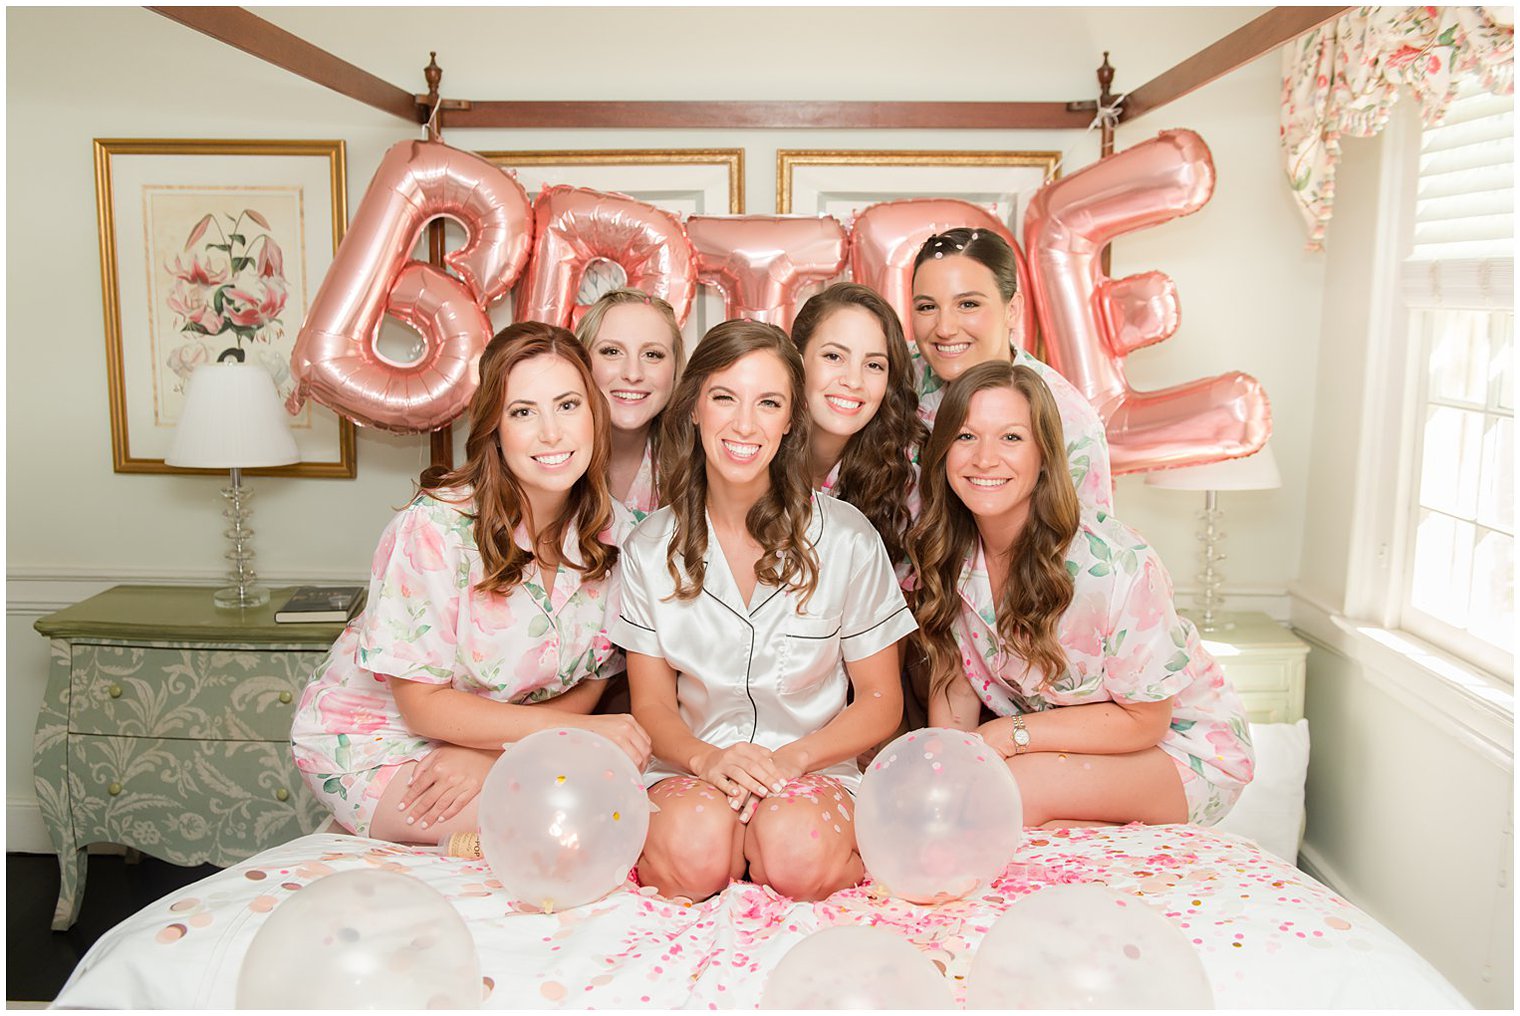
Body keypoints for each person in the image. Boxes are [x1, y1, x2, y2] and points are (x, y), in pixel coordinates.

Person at [290, 322, 651, 845]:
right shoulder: (433, 529)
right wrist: (567, 737)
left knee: (614, 810)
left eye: (568, 405)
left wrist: (491, 754)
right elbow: (422, 705)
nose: (552, 432)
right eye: (523, 412)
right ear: (494, 428)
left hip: (495, 741)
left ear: (595, 415)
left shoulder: (620, 535)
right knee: (564, 830)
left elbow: (592, 682)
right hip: (380, 742)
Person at [608, 320, 917, 903]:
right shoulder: (649, 548)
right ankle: (725, 852)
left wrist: (794, 759)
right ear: (694, 406)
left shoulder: (848, 538)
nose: (745, 424)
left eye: (768, 403)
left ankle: (782, 852)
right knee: (694, 854)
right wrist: (706, 758)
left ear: (791, 421)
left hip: (814, 771)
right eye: (724, 397)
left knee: (797, 853)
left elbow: (882, 700)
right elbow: (650, 704)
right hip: (692, 770)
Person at [908, 361, 1253, 828]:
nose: (985, 458)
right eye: (966, 436)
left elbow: (1145, 720)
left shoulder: (1116, 566)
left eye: (1011, 437)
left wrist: (1009, 735)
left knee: (1012, 792)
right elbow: (957, 685)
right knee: (959, 804)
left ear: (1046, 454)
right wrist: (946, 774)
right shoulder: (945, 551)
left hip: (1178, 748)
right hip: (1057, 744)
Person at [910, 227, 1113, 513]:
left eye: (968, 304)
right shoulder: (890, 375)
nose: (944, 329)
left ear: (1013, 309)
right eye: (927, 307)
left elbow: (1080, 544)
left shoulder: (1069, 421)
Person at [791, 282, 927, 570]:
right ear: (797, 360)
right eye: (833, 356)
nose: (853, 381)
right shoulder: (752, 451)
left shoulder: (904, 482)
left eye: (874, 365)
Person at [574, 288, 686, 521]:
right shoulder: (547, 459)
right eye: (612, 351)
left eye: (653, 355)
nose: (633, 374)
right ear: (581, 363)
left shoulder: (698, 469)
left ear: (675, 369)